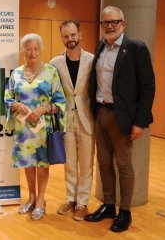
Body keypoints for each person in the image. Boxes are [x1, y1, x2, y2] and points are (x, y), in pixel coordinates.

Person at [85, 6, 155, 232]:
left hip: (123, 117)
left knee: (124, 165)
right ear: (101, 26)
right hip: (101, 113)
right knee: (103, 163)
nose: (110, 26)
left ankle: (125, 211)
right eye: (106, 22)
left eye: (115, 21)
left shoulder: (136, 48)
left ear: (123, 23)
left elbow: (147, 87)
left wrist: (140, 121)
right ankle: (108, 205)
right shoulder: (100, 47)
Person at [4, 33, 66, 221]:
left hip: (42, 128)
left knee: (41, 163)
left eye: (35, 48)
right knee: (27, 163)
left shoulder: (51, 72)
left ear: (41, 50)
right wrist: (16, 105)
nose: (32, 52)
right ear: (23, 51)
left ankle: (41, 199)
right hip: (23, 129)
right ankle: (30, 197)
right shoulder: (16, 73)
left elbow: (60, 102)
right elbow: (8, 98)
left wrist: (45, 108)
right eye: (28, 49)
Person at [50, 20, 95, 221]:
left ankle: (82, 202)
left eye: (73, 35)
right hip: (65, 119)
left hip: (87, 120)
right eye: (66, 36)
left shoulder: (93, 60)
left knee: (85, 164)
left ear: (80, 35)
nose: (70, 39)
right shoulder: (55, 64)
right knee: (69, 163)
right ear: (62, 38)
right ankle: (70, 198)